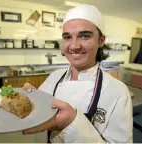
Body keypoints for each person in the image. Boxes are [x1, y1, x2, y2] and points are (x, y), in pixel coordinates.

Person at [22, 4, 133, 143]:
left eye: (84, 36)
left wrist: (72, 123)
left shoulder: (118, 92)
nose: (74, 46)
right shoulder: (54, 78)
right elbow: (39, 111)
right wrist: (29, 101)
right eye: (67, 37)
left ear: (101, 41)